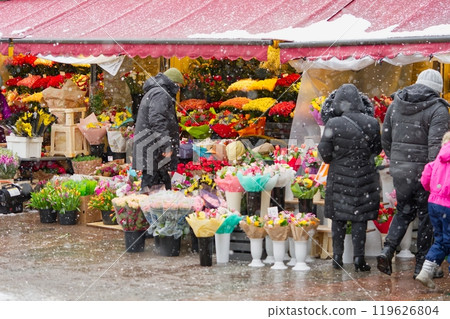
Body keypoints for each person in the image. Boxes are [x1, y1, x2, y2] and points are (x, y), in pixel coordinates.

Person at [377, 69, 449, 278]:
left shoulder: (396, 103)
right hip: (425, 172)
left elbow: (386, 138)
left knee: (404, 211)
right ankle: (422, 264)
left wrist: (398, 162)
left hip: (400, 170)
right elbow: (436, 149)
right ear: (438, 90)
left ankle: (387, 249)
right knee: (426, 217)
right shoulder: (438, 109)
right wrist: (431, 174)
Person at [318, 83, 382, 271]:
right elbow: (377, 149)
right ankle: (358, 259)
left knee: (338, 219)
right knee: (359, 219)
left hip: (339, 177)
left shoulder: (333, 123)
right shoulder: (371, 123)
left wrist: (338, 158)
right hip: (364, 177)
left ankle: (337, 257)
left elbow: (325, 153)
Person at [132, 68, 184, 192]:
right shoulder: (161, 93)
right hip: (152, 150)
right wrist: (166, 145)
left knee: (160, 187)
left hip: (152, 150)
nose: (179, 89)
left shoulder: (157, 91)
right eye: (179, 86)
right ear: (174, 83)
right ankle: (151, 210)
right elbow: (157, 120)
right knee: (152, 189)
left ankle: (156, 209)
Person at [416, 131, 450, 288]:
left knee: (441, 239)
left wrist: (435, 191)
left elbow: (425, 179)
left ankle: (425, 271)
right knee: (447, 241)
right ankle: (427, 271)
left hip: (434, 204)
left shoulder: (438, 159)